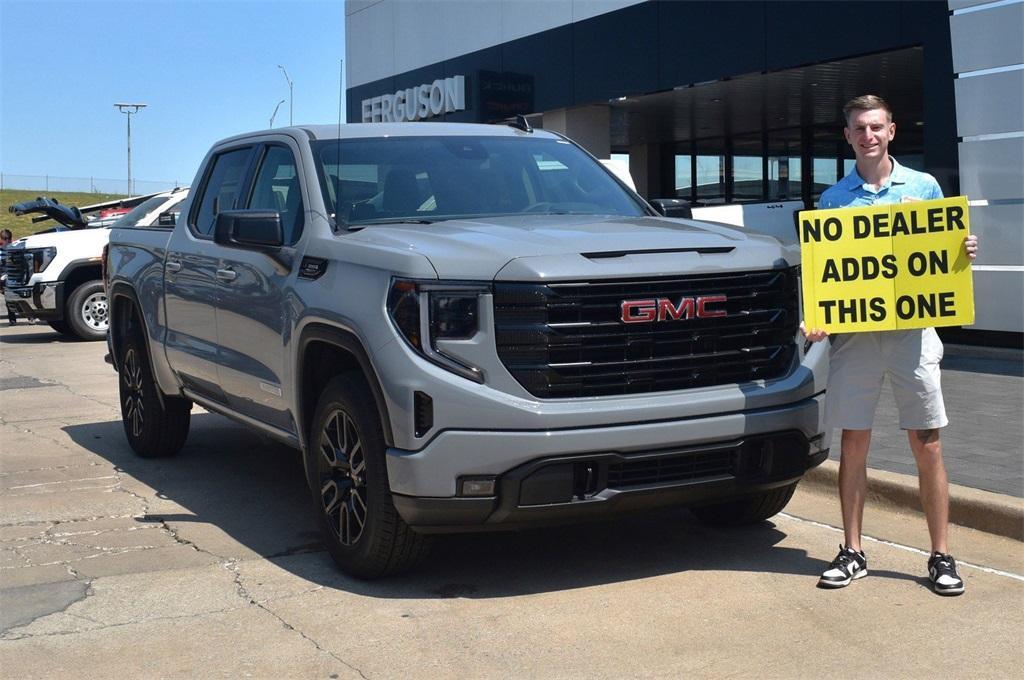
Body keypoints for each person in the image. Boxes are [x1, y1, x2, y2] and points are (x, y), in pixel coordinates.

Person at [804, 95, 978, 596]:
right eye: (859, 127)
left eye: (876, 126)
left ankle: (941, 555)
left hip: (913, 336)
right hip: (856, 340)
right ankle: (852, 550)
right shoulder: (834, 200)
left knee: (927, 442)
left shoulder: (923, 187)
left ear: (892, 131)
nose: (868, 135)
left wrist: (963, 249)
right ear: (848, 135)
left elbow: (946, 251)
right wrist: (817, 315)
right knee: (853, 443)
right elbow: (828, 275)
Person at [0, 229, 16, 325]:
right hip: (4, 276)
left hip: (11, 276)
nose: (6, 242)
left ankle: (13, 318)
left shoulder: (13, 249)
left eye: (7, 239)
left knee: (9, 297)